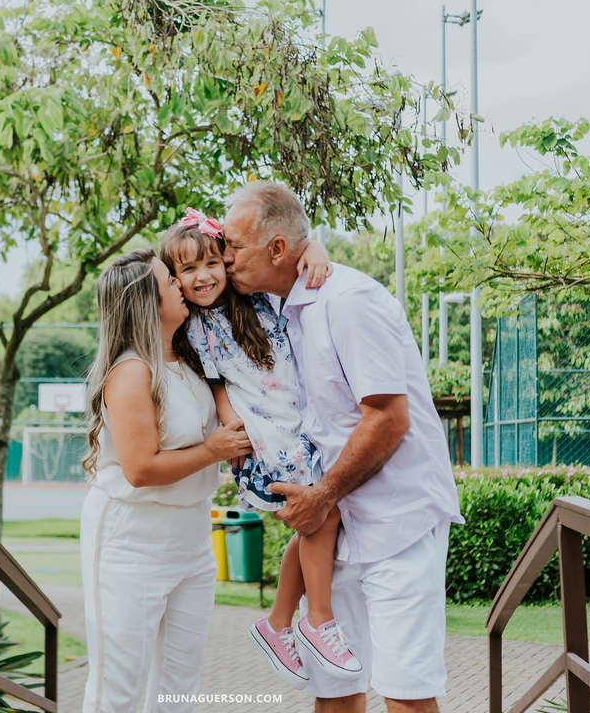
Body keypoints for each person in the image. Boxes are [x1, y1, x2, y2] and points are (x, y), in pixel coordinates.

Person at [223, 181, 464, 713]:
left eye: (234, 246)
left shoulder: (349, 300)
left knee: (405, 694)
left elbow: (388, 419)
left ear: (278, 250)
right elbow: (185, 271)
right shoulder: (279, 305)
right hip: (337, 532)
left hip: (396, 525)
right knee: (333, 694)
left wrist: (322, 495)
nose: (225, 256)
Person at [158, 213, 363, 690]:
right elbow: (217, 386)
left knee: (315, 521)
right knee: (321, 514)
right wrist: (233, 429)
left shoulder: (257, 298)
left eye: (212, 262)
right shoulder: (194, 327)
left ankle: (277, 625)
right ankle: (318, 621)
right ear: (175, 281)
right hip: (267, 440)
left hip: (297, 424)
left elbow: (294, 260)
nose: (203, 276)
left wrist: (313, 249)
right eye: (187, 271)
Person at [79, 248, 253, 713]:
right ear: (147, 303)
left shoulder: (191, 355)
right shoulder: (132, 370)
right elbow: (140, 469)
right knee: (117, 685)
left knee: (179, 688)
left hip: (192, 538)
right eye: (169, 281)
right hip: (131, 539)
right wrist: (213, 450)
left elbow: (222, 258)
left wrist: (313, 251)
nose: (181, 282)